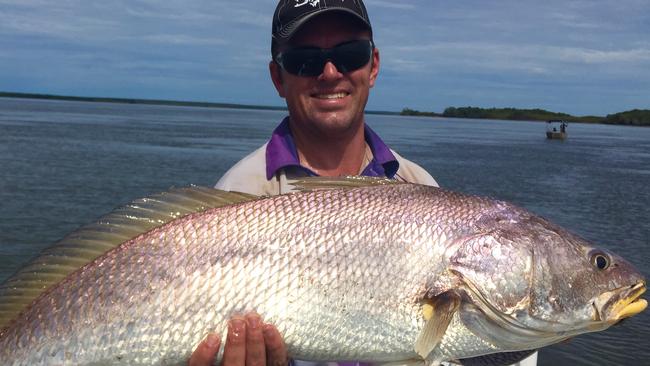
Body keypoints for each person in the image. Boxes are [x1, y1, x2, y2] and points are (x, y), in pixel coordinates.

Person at [190, 1, 536, 366]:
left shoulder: (418, 185)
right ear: (278, 78)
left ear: (373, 66)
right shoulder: (237, 195)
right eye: (304, 60)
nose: (329, 73)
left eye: (350, 54)